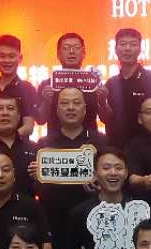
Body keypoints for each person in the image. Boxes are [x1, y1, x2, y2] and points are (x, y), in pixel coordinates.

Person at [62, 148, 146, 249]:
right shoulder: (80, 211)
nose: (113, 173)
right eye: (106, 168)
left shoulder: (138, 210)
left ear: (126, 173)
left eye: (118, 168)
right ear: (95, 174)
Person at [32, 86, 102, 229]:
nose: (70, 108)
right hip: (52, 217)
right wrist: (36, 176)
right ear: (57, 110)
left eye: (76, 103)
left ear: (84, 109)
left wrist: (100, 178)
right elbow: (37, 188)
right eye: (64, 103)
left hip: (92, 217)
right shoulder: (44, 144)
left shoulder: (100, 141)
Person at [103, 27, 151, 148]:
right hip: (117, 149)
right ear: (115, 49)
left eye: (133, 44)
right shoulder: (111, 83)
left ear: (140, 49)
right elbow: (106, 119)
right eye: (123, 44)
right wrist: (101, 102)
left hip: (148, 148)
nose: (127, 49)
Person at [37, 32, 111, 134]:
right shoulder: (48, 85)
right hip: (56, 141)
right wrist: (46, 102)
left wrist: (102, 102)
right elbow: (40, 120)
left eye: (76, 47)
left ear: (84, 53)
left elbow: (107, 119)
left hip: (89, 141)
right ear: (58, 54)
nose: (71, 52)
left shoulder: (94, 84)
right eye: (66, 48)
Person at [0, 34, 40, 138]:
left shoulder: (27, 89)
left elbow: (28, 127)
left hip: (18, 146)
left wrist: (5, 141)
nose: (7, 61)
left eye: (11, 56)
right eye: (2, 56)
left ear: (20, 58)